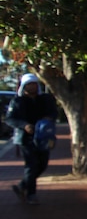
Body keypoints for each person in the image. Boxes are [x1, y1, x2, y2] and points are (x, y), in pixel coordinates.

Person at [7, 73, 58, 205]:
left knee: (42, 164)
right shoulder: (17, 101)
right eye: (29, 84)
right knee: (31, 165)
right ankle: (31, 194)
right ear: (24, 86)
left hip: (43, 136)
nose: (32, 86)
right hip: (26, 139)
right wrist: (24, 126)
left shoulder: (45, 99)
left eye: (34, 84)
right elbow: (10, 118)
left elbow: (54, 112)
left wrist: (49, 118)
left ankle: (22, 186)